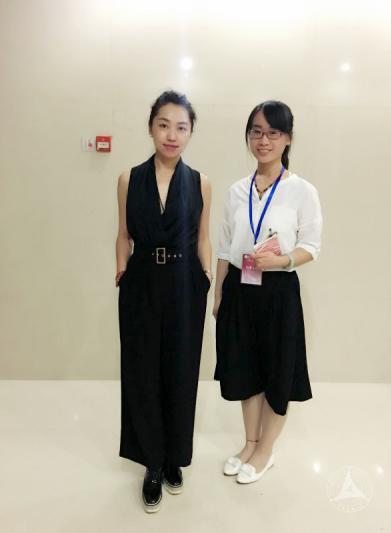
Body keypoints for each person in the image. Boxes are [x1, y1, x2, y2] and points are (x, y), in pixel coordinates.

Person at [213, 100, 322, 484]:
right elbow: (224, 247)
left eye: (273, 133)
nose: (264, 140)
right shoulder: (236, 191)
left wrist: (281, 261)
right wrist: (219, 296)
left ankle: (266, 451)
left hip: (278, 291)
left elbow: (312, 246)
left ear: (287, 138)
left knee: (278, 370)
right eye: (256, 132)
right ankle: (250, 442)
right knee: (245, 368)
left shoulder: (302, 191)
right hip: (240, 287)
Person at [115, 90, 212, 512]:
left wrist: (206, 278)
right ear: (151, 127)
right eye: (164, 125)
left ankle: (174, 456)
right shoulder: (128, 179)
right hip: (141, 284)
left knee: (181, 371)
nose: (172, 135)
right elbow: (123, 234)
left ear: (190, 133)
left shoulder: (200, 182)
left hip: (185, 284)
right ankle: (152, 462)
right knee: (142, 371)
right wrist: (121, 270)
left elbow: (203, 238)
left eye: (181, 127)